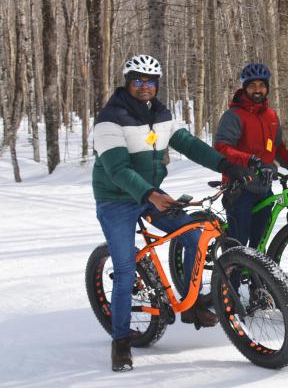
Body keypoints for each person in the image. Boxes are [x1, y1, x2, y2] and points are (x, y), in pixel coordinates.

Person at [93, 54, 249, 372]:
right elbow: (117, 169)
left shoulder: (162, 116)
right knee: (124, 272)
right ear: (127, 82)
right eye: (138, 80)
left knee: (194, 234)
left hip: (151, 193)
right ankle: (121, 341)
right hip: (116, 199)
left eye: (151, 81)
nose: (144, 86)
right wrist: (150, 194)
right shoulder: (110, 119)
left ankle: (189, 306)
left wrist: (227, 166)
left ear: (157, 85)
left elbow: (191, 145)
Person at [213, 63, 288, 249]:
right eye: (252, 85)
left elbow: (278, 149)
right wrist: (250, 160)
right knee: (239, 245)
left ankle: (256, 276)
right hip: (239, 187)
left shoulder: (271, 115)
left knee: (259, 243)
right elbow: (221, 148)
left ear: (267, 88)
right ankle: (229, 277)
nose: (258, 90)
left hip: (263, 187)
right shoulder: (234, 115)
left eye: (262, 85)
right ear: (244, 87)